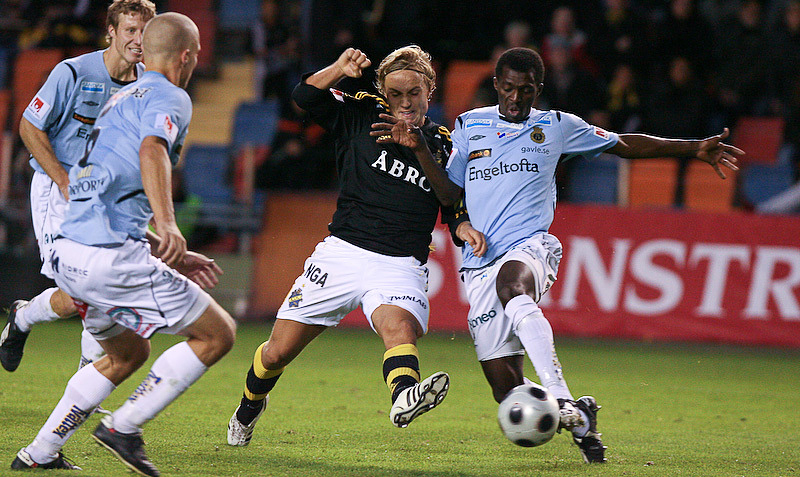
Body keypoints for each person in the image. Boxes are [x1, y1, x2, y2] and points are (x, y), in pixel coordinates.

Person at [382, 47, 742, 464]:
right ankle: (579, 416)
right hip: (478, 263)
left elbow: (623, 144)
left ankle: (561, 395)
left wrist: (693, 147)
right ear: (497, 85)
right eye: (510, 89)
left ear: (539, 90)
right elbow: (449, 194)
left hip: (529, 247)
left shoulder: (556, 127)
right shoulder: (469, 124)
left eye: (527, 90)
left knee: (512, 286)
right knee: (507, 391)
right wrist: (421, 153)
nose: (517, 99)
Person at [10, 12, 236, 476]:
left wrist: (157, 243)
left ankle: (38, 454)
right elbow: (153, 149)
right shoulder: (171, 97)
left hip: (71, 252)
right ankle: (124, 427)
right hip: (109, 261)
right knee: (217, 334)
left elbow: (106, 196)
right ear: (188, 55)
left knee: (128, 354)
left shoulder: (119, 100)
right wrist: (170, 226)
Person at [227, 45, 458, 446]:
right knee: (277, 352)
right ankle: (249, 406)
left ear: (429, 92)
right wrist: (338, 67)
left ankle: (404, 396)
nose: (405, 103)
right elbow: (304, 98)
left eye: (414, 94)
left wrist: (419, 148)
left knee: (399, 327)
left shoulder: (444, 144)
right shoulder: (360, 113)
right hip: (342, 252)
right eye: (396, 94)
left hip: (400, 262)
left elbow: (450, 198)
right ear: (383, 93)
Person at [1, 0, 156, 374]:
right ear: (112, 32)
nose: (138, 40)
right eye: (130, 30)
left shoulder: (149, 85)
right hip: (58, 191)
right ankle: (24, 321)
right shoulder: (73, 72)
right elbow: (29, 126)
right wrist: (64, 179)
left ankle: (84, 378)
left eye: (145, 32)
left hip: (105, 197)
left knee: (96, 288)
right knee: (79, 292)